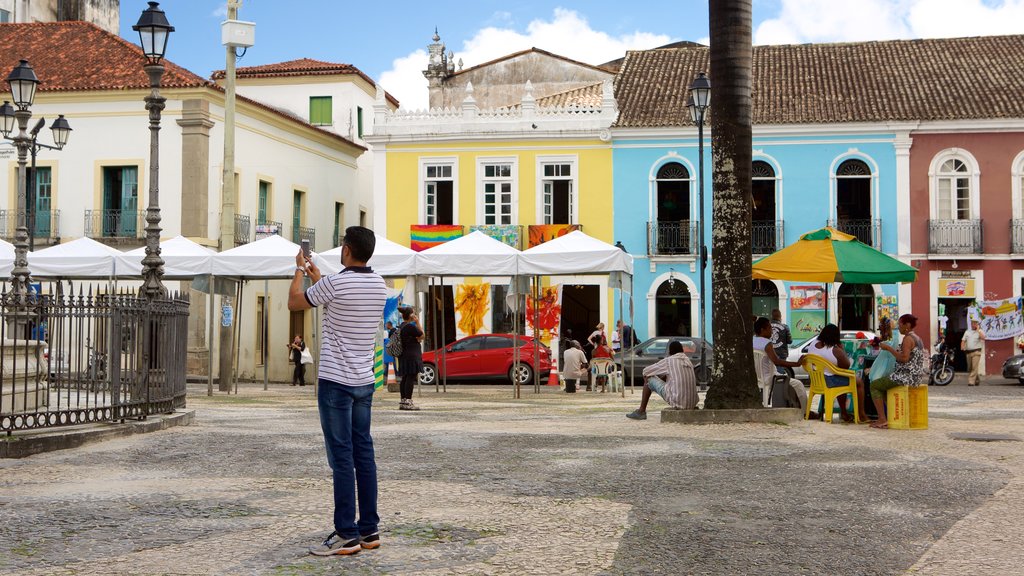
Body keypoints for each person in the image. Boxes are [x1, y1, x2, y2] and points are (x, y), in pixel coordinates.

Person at [288, 226, 387, 556]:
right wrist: (320, 277)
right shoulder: (378, 285)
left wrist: (299, 271)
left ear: (346, 249)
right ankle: (369, 530)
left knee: (342, 458)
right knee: (364, 454)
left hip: (334, 382)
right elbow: (340, 299)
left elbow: (294, 303)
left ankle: (347, 533)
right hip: (363, 382)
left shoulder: (336, 283)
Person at [869, 313, 928, 429]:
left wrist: (888, 349)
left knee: (875, 385)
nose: (898, 327)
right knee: (884, 387)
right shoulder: (917, 338)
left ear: (907, 325)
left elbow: (904, 359)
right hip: (915, 376)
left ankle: (882, 419)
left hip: (906, 376)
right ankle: (892, 416)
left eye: (900, 324)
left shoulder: (908, 339)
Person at [806, 323, 867, 423]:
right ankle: (861, 414)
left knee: (840, 378)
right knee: (858, 382)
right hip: (829, 381)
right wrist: (841, 348)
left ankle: (844, 413)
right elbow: (846, 365)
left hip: (815, 380)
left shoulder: (812, 344)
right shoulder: (835, 350)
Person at [626, 339, 698, 420]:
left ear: (670, 352)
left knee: (649, 378)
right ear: (682, 350)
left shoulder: (669, 361)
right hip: (692, 403)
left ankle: (641, 411)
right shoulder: (688, 361)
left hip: (678, 401)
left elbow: (645, 371)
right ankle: (641, 411)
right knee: (667, 375)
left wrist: (654, 378)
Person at [753, 317, 806, 410]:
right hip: (770, 378)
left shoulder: (752, 340)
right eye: (769, 328)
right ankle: (805, 412)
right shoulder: (767, 343)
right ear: (762, 330)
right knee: (798, 384)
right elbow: (777, 361)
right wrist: (797, 364)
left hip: (756, 377)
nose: (772, 331)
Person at [396, 306, 424, 411]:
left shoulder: (401, 326)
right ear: (411, 315)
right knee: (410, 378)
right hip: (412, 356)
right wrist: (417, 322)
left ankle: (403, 402)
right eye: (414, 313)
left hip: (404, 355)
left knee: (405, 378)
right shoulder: (410, 327)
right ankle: (408, 402)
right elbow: (422, 335)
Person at [960, 318, 986, 386]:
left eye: (975, 323)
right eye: (972, 323)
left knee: (974, 367)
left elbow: (983, 338)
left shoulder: (980, 331)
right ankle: (977, 380)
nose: (973, 325)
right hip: (968, 352)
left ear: (977, 324)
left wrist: (978, 331)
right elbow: (963, 340)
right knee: (970, 368)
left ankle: (971, 381)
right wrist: (962, 346)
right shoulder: (967, 332)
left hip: (976, 352)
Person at [769, 309, 794, 376]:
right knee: (779, 374)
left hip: (770, 353)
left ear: (772, 316)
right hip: (781, 354)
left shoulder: (767, 326)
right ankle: (778, 386)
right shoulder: (785, 327)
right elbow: (790, 341)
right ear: (780, 316)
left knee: (770, 373)